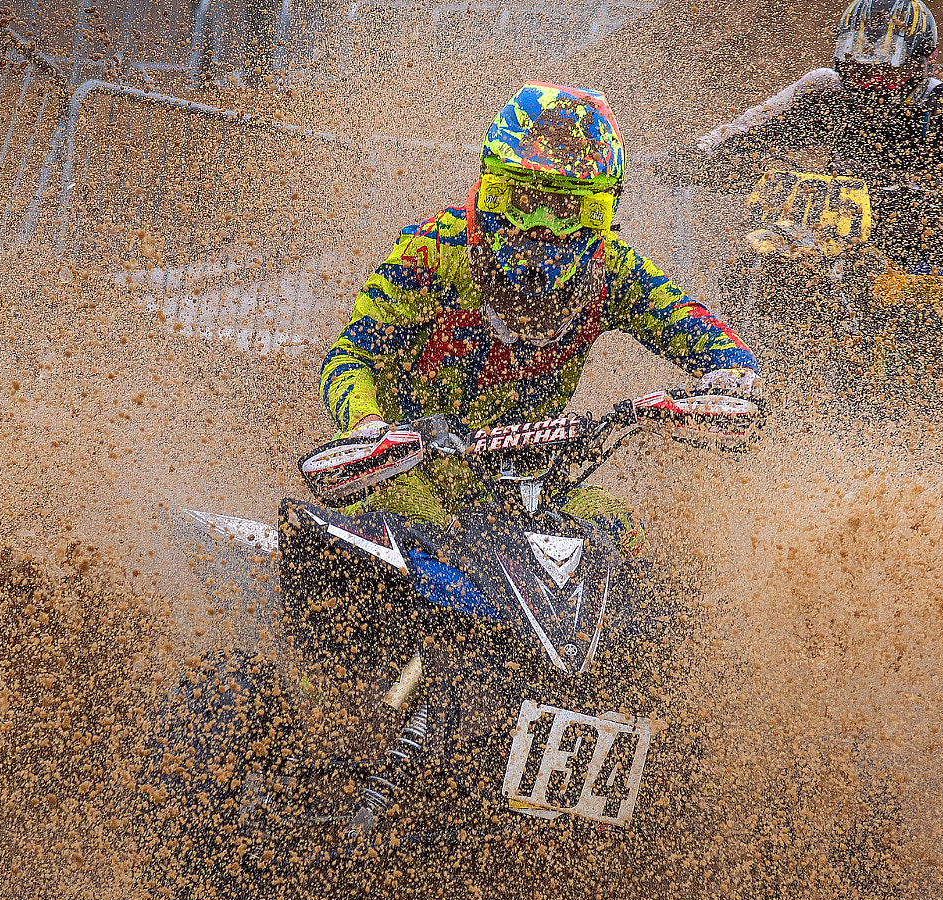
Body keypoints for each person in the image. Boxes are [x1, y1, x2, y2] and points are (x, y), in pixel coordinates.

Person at [318, 83, 760, 559]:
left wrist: (725, 387)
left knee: (627, 536)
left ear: (603, 214)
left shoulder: (613, 272)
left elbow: (718, 346)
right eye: (523, 201)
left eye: (568, 209)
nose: (542, 228)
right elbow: (351, 356)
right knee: (407, 524)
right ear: (490, 190)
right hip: (407, 475)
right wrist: (368, 426)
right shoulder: (435, 250)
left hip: (524, 493)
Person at [690, 0, 943, 273]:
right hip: (836, 234)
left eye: (883, 70)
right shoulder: (825, 89)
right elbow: (735, 134)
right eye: (857, 67)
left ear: (924, 61)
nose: (866, 83)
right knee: (749, 268)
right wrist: (692, 158)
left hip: (927, 261)